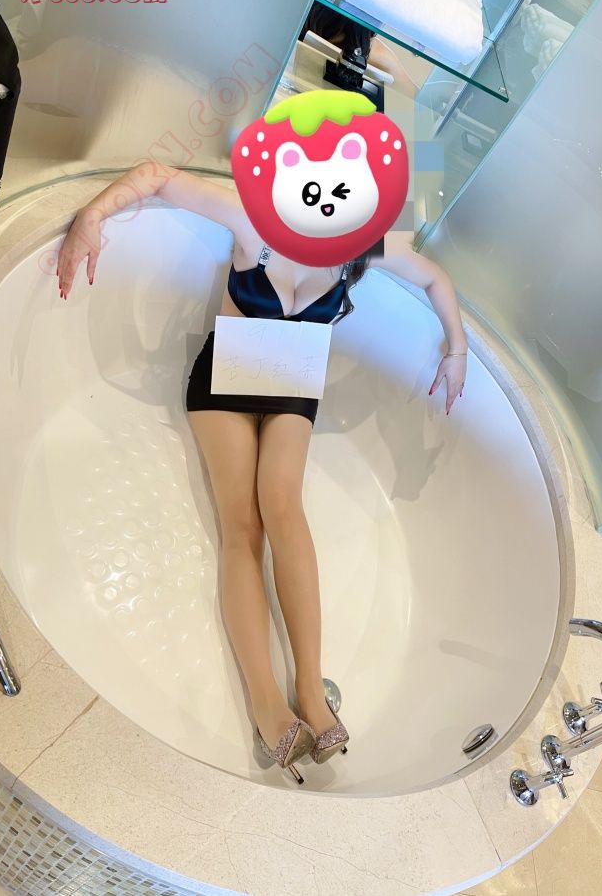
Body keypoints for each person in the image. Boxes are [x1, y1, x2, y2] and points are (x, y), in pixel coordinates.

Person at [56, 159, 468, 784]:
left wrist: (456, 348)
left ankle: (311, 689)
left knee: (283, 506)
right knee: (243, 526)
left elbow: (435, 278)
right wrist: (93, 215)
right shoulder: (256, 221)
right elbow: (158, 175)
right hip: (225, 376)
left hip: (291, 382)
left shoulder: (364, 246)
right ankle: (266, 702)